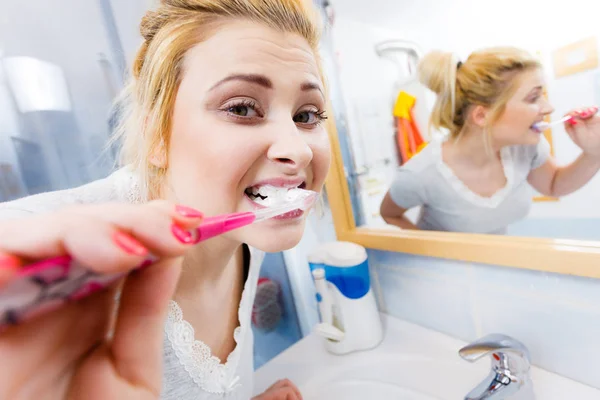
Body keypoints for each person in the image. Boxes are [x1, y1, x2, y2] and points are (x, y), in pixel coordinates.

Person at [0, 0, 331, 399]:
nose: (299, 150)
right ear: (157, 135)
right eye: (242, 108)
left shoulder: (248, 228)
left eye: (307, 115)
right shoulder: (59, 254)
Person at [380, 47, 600, 234]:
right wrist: (434, 258)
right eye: (534, 97)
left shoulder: (524, 148)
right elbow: (389, 214)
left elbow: (554, 185)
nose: (549, 108)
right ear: (481, 115)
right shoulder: (420, 174)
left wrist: (594, 152)